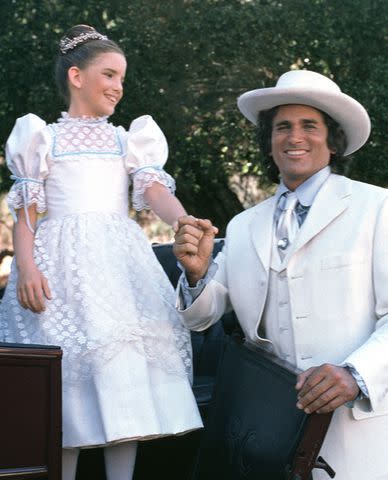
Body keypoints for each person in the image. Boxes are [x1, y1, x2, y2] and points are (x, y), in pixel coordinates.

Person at [0, 24, 202, 480]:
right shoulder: (42, 137)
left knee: (123, 373)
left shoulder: (126, 139)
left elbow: (152, 190)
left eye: (122, 79)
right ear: (76, 76)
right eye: (109, 75)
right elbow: (29, 210)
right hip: (62, 268)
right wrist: (25, 263)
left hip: (116, 267)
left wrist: (182, 219)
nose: (117, 87)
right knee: (66, 383)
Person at [173, 69, 388, 479]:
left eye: (310, 125)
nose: (295, 137)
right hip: (267, 436)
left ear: (333, 139)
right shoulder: (242, 225)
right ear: (269, 141)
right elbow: (201, 316)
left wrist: (356, 375)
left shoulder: (376, 208)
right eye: (282, 127)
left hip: (357, 437)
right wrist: (197, 274)